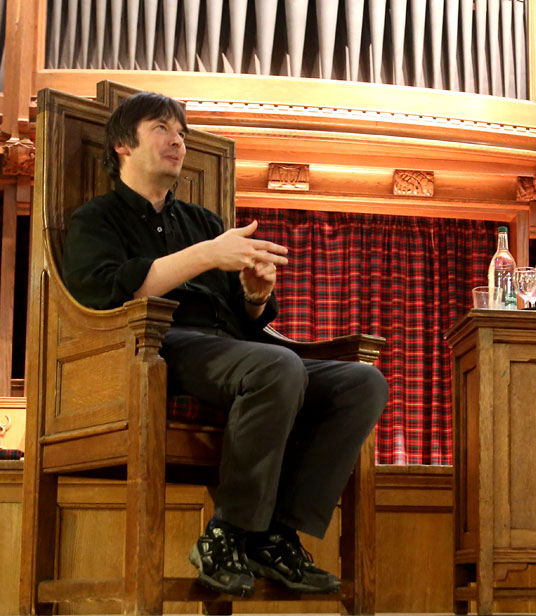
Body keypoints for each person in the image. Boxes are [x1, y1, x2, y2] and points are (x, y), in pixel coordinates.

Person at [62, 91, 389, 597]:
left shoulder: (202, 222)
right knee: (276, 368)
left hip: (231, 349)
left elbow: (245, 321)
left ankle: (275, 533)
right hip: (154, 345)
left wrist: (256, 298)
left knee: (361, 381)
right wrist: (208, 255)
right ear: (124, 145)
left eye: (183, 133)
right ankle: (228, 533)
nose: (177, 141)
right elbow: (103, 291)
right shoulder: (97, 218)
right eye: (162, 129)